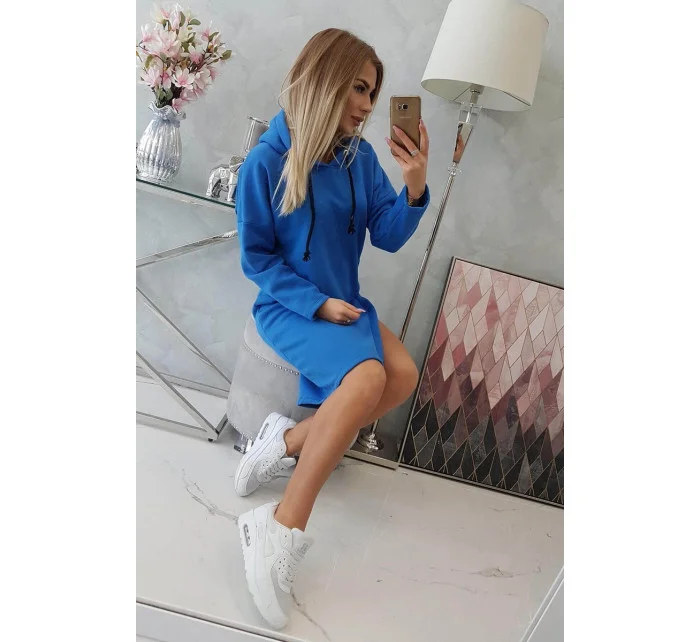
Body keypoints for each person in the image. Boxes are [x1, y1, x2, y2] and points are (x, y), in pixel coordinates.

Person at [234, 28, 430, 629]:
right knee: (369, 376)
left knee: (403, 375)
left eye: (373, 93)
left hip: (345, 304)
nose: (368, 105)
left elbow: (388, 235)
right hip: (291, 308)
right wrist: (316, 305)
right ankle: (278, 527)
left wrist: (414, 183)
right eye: (359, 88)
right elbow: (257, 261)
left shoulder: (359, 160)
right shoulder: (267, 161)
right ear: (325, 79)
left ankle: (287, 441)